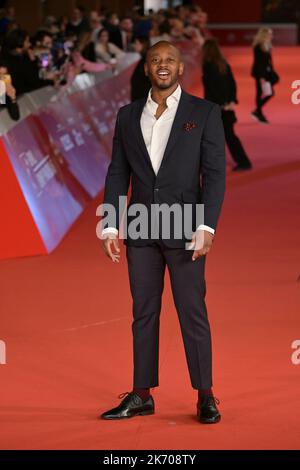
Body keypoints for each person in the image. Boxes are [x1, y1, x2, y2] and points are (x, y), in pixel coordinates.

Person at [100, 41, 226, 424]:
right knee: (143, 313)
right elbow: (118, 172)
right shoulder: (126, 115)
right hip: (140, 228)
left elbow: (216, 174)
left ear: (181, 68)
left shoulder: (204, 113)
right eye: (156, 60)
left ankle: (205, 395)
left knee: (192, 312)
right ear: (147, 69)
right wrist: (110, 223)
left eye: (170, 60)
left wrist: (206, 226)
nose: (163, 65)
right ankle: (141, 394)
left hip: (185, 228)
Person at [202, 38, 252, 171]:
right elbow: (232, 84)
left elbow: (212, 88)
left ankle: (242, 162)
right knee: (226, 135)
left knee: (217, 136)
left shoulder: (208, 66)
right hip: (225, 106)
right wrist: (231, 101)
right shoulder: (223, 64)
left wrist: (223, 103)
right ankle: (242, 161)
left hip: (215, 107)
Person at [251, 27, 279, 124]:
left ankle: (257, 111)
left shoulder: (267, 45)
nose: (272, 36)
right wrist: (262, 77)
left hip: (266, 73)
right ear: (264, 35)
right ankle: (258, 112)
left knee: (268, 93)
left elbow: (268, 61)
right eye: (270, 34)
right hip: (260, 74)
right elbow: (259, 63)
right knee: (261, 93)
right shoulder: (258, 46)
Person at [130, 36, 151, 101]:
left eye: (137, 43)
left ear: (143, 45)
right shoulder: (144, 59)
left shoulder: (147, 60)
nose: (135, 46)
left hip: (143, 98)